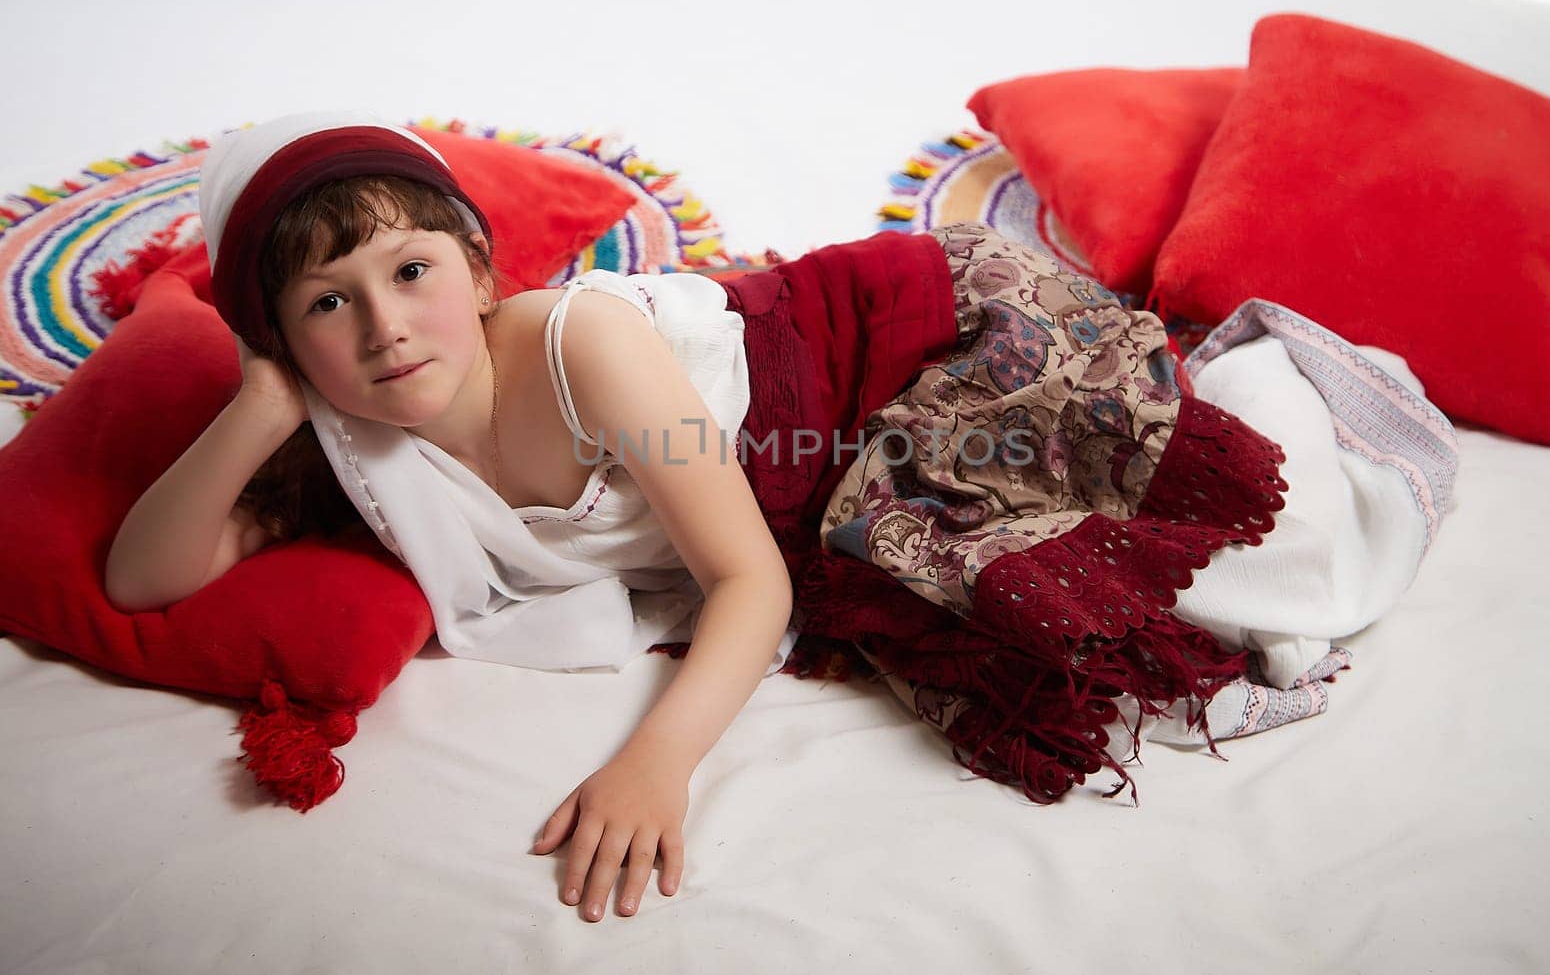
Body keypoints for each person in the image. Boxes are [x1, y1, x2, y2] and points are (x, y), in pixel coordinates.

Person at [104, 111, 1299, 924]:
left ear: (477, 271)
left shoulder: (585, 347)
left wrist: (655, 761)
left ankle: (1279, 376)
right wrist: (258, 406)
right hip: (780, 460)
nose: (382, 328)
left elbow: (747, 582)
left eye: (410, 272)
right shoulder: (350, 445)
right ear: (285, 340)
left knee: (1081, 546)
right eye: (327, 303)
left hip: (888, 352)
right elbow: (146, 577)